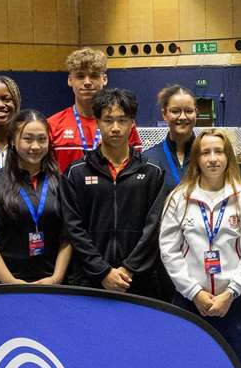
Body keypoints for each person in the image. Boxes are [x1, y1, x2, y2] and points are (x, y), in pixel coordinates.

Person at [159, 129, 241, 368]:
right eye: (206, 152)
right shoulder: (179, 198)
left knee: (235, 362)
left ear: (228, 157)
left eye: (219, 152)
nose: (213, 158)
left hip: (232, 299)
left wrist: (231, 291)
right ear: (197, 158)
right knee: (191, 361)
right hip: (190, 299)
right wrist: (195, 292)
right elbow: (169, 250)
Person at [62, 88, 166, 298]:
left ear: (132, 123)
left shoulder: (152, 172)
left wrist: (129, 269)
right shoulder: (76, 172)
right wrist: (103, 271)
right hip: (89, 280)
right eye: (108, 120)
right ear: (97, 122)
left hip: (139, 282)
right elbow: (74, 227)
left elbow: (153, 227)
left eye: (123, 120)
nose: (116, 128)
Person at [0, 110, 71, 287]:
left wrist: (56, 278)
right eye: (28, 139)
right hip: (3, 284)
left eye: (42, 139)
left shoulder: (62, 183)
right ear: (13, 141)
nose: (35, 146)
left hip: (50, 282)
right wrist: (10, 281)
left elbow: (67, 237)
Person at [49, 48, 140, 172]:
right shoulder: (53, 125)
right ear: (70, 80)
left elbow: (135, 168)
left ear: (104, 79)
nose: (87, 82)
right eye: (80, 76)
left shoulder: (121, 124)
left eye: (94, 76)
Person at [142, 84, 199, 200]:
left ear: (196, 113)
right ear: (164, 114)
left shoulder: (208, 155)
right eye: (175, 111)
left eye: (189, 111)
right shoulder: (149, 159)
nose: (183, 117)